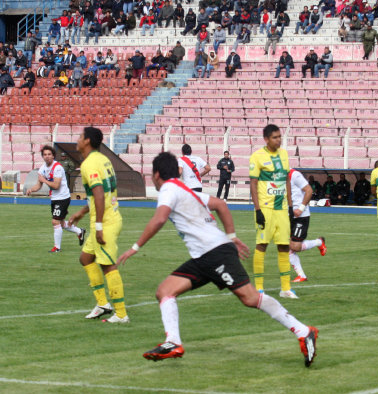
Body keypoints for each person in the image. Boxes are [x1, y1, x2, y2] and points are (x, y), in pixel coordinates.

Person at [116, 152, 318, 366]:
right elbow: (220, 204)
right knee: (165, 291)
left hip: (214, 253)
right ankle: (173, 342)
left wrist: (135, 248)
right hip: (204, 256)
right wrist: (231, 237)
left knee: (250, 298)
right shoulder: (184, 189)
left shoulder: (168, 188)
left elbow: (159, 219)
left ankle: (303, 331)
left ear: (156, 174)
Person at [68, 127, 128, 323]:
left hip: (106, 222)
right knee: (86, 258)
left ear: (87, 141)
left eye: (79, 136)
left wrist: (100, 226)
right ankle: (103, 304)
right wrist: (81, 212)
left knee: (108, 266)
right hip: (104, 218)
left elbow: (100, 194)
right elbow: (98, 196)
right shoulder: (103, 159)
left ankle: (121, 314)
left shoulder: (89, 164)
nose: (77, 139)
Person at [249, 124, 296, 298]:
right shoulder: (257, 156)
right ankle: (259, 288)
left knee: (284, 246)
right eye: (275, 137)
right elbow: (253, 184)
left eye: (279, 136)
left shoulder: (284, 154)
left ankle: (286, 288)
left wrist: (290, 206)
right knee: (262, 245)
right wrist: (258, 209)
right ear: (266, 139)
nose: (279, 140)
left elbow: (287, 181)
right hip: (266, 209)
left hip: (281, 209)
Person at [26, 145, 85, 253]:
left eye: (49, 154)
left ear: (53, 156)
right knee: (61, 223)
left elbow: (56, 186)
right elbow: (38, 185)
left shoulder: (57, 168)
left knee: (55, 222)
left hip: (63, 198)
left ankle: (57, 248)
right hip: (54, 198)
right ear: (42, 156)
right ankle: (79, 231)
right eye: (45, 155)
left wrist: (44, 180)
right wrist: (31, 189)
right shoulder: (43, 168)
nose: (47, 156)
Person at [288, 168, 327, 283]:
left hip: (301, 216)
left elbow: (309, 190)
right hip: (288, 216)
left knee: (294, 247)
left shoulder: (294, 174)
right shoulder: (276, 176)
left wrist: (300, 208)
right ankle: (301, 275)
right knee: (287, 248)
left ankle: (319, 242)